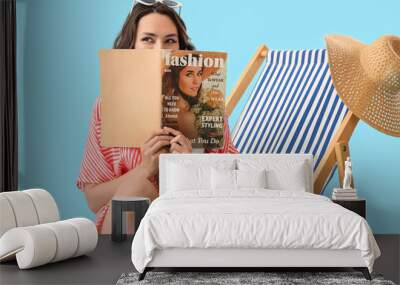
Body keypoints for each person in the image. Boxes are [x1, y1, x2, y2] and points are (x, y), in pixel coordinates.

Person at [76, 2, 238, 234]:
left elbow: (233, 181)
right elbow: (93, 200)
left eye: (170, 40)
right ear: (132, 46)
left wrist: (191, 165)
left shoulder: (208, 104)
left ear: (182, 48)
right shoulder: (106, 106)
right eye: (148, 39)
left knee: (138, 191)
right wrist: (144, 168)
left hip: (188, 219)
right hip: (122, 226)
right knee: (135, 189)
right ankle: (127, 267)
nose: (160, 49)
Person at [163, 61, 203, 139]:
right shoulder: (186, 117)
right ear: (175, 78)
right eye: (189, 74)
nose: (197, 82)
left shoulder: (171, 106)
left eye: (199, 74)